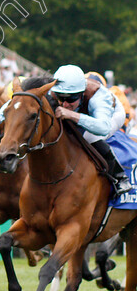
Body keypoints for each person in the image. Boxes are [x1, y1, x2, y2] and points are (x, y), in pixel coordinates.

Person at [50, 64, 132, 195]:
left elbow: (103, 128)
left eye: (71, 99)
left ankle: (120, 177)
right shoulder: (53, 90)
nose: (64, 104)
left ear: (81, 93)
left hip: (112, 115)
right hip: (84, 111)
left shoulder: (98, 98)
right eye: (61, 97)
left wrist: (72, 115)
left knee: (89, 137)